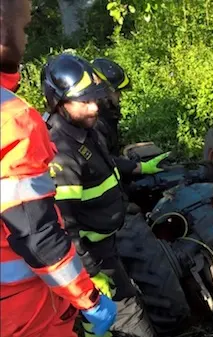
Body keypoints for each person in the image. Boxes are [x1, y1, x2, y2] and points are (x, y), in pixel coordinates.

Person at [0, 1, 116, 336]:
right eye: (23, 28)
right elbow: (38, 236)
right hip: (26, 315)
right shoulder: (13, 120)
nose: (25, 37)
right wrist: (89, 299)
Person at [41, 53, 165, 337]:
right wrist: (89, 274)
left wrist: (139, 166)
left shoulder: (85, 131)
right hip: (94, 258)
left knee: (111, 317)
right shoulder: (62, 154)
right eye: (84, 101)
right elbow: (64, 228)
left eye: (95, 98)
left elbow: (105, 163)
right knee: (129, 321)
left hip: (109, 243)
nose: (94, 107)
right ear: (58, 103)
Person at [91, 57, 131, 156]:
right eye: (117, 92)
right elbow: (105, 161)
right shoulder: (96, 122)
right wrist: (136, 166)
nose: (120, 96)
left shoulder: (108, 113)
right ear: (104, 90)